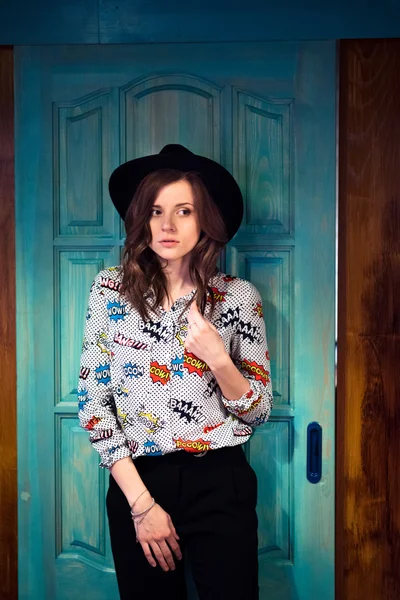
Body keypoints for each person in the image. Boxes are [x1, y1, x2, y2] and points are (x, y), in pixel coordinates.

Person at [78, 144, 273, 600]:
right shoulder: (109, 290)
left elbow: (258, 411)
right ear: (140, 219)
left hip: (220, 481)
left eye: (183, 211)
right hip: (138, 480)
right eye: (155, 211)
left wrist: (220, 360)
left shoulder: (238, 297)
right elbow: (93, 402)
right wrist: (142, 506)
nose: (167, 226)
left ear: (204, 218)